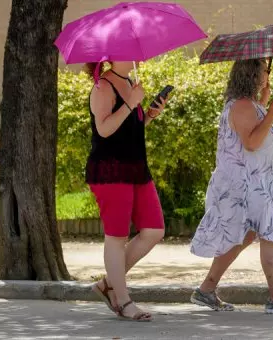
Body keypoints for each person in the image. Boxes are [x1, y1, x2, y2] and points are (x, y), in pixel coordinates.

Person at [190, 58, 273, 315]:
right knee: (269, 232)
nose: (267, 73)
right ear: (252, 75)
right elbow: (252, 142)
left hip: (251, 181)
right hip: (249, 184)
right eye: (264, 70)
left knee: (244, 234)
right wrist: (272, 114)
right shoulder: (242, 106)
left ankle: (206, 290)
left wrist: (264, 105)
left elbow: (252, 129)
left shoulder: (247, 105)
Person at [86, 61, 168, 322]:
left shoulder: (131, 84)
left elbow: (128, 131)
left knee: (155, 230)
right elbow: (104, 129)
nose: (138, 56)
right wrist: (131, 103)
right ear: (113, 53)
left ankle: (108, 284)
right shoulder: (103, 87)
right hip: (111, 170)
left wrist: (150, 115)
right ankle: (123, 301)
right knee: (116, 237)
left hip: (136, 168)